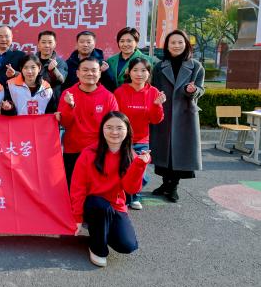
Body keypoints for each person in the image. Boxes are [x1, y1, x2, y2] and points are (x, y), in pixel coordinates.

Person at [70, 111, 151, 267]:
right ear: (102, 129)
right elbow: (77, 188)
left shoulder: (132, 155)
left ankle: (99, 231)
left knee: (127, 245)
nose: (114, 132)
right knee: (99, 204)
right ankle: (97, 248)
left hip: (115, 206)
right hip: (93, 204)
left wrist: (139, 166)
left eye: (119, 128)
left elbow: (131, 189)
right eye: (109, 127)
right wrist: (77, 218)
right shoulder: (89, 153)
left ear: (127, 130)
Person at [150, 30, 205, 203]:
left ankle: (173, 186)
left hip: (185, 114)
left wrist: (193, 90)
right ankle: (165, 184)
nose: (176, 45)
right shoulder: (159, 67)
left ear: (186, 44)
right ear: (167, 45)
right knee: (164, 152)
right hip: (164, 113)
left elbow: (201, 89)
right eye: (172, 42)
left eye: (180, 42)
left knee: (180, 152)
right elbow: (153, 88)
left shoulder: (196, 66)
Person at [58, 57, 119, 188]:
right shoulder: (68, 94)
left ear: (100, 73)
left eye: (94, 70)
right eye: (85, 70)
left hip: (99, 151)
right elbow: (64, 123)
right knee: (73, 187)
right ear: (78, 73)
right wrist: (70, 106)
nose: (90, 73)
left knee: (96, 189)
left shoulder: (109, 97)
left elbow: (114, 126)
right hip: (73, 150)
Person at [114, 57, 165, 210]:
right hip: (121, 139)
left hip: (142, 139)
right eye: (135, 70)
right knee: (124, 168)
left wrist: (157, 105)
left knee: (139, 168)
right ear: (129, 72)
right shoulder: (120, 91)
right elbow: (114, 116)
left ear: (149, 73)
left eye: (143, 70)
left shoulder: (153, 92)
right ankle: (125, 197)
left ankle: (134, 196)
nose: (139, 74)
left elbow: (156, 120)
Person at [36, 30, 67, 101]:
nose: (47, 45)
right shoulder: (31, 61)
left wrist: (53, 70)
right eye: (43, 42)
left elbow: (61, 80)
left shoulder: (60, 62)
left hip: (52, 101)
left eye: (50, 42)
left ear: (55, 44)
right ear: (38, 44)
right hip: (34, 100)